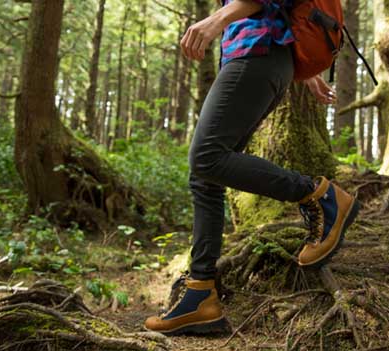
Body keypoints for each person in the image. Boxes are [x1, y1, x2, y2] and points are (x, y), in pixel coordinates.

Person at [144, 0, 359, 335]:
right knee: (205, 175)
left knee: (206, 157)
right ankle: (200, 295)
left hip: (257, 55)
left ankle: (319, 196)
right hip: (259, 58)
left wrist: (217, 20)